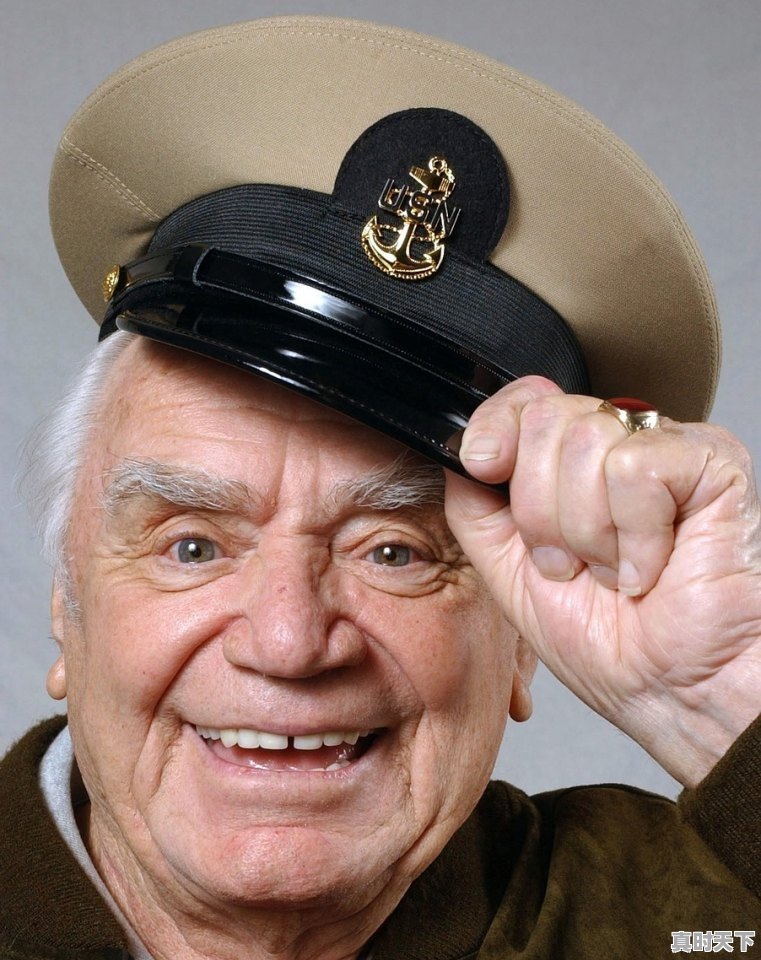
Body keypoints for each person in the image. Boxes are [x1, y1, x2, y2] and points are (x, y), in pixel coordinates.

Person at [1, 14, 759, 960]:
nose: (288, 644)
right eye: (192, 545)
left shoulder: (696, 920)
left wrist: (723, 702)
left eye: (394, 552)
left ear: (520, 645)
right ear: (67, 600)